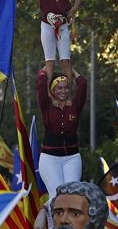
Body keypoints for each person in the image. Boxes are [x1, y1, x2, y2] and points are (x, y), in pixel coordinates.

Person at [35, 65, 87, 202]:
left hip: (72, 157)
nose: (63, 91)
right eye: (59, 88)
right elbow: (40, 85)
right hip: (50, 158)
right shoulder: (47, 106)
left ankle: (67, 224)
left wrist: (72, 70)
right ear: (53, 90)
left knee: (71, 196)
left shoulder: (74, 105)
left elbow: (83, 85)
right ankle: (52, 223)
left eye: (66, 87)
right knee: (56, 196)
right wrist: (45, 69)